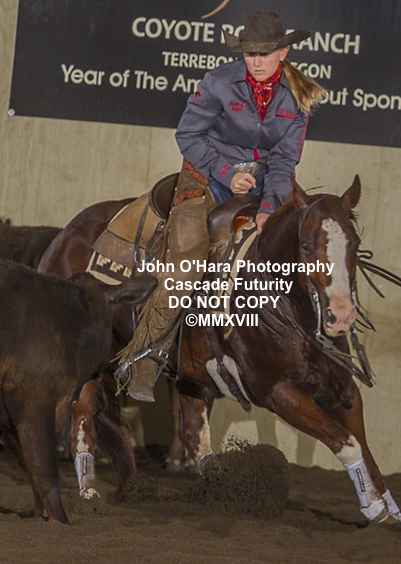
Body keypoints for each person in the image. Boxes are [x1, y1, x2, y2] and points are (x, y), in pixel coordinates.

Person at [119, 11, 326, 401]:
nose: (256, 62)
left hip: (260, 189)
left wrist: (269, 207)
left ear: (283, 53)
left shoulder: (298, 97)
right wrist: (226, 173)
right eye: (250, 54)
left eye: (264, 53)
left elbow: (284, 161)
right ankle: (144, 357)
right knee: (187, 265)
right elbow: (188, 135)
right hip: (204, 178)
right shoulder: (217, 82)